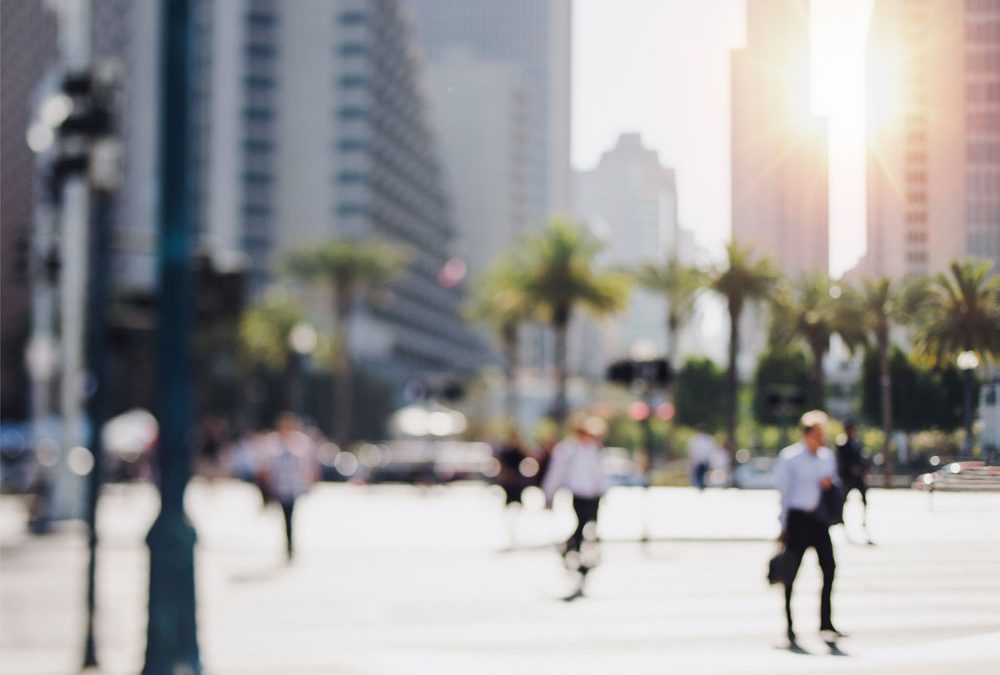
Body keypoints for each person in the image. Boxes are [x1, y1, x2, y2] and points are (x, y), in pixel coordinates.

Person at [775, 410, 844, 645]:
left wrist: (829, 485)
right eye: (817, 433)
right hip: (797, 520)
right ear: (806, 435)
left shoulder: (827, 457)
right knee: (791, 573)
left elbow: (833, 482)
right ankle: (790, 625)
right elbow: (783, 494)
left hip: (819, 520)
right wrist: (782, 525)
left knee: (829, 568)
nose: (821, 438)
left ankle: (826, 622)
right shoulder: (790, 458)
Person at [541, 414, 611, 557]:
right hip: (578, 493)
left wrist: (604, 490)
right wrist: (549, 494)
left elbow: (600, 473)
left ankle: (574, 547)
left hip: (593, 493)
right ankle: (574, 548)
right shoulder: (567, 449)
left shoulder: (592, 449)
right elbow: (556, 474)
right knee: (582, 521)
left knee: (590, 522)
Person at [263, 413, 318, 561]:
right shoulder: (274, 443)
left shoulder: (300, 442)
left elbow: (308, 465)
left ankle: (290, 546)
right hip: (280, 487)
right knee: (285, 517)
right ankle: (288, 545)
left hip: (294, 486)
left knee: (290, 516)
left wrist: (309, 483)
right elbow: (268, 466)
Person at [836, 418, 870, 540]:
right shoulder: (841, 443)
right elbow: (840, 461)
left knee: (864, 500)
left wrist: (863, 469)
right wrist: (850, 469)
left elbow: (863, 458)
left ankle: (863, 521)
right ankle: (841, 519)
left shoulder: (857, 443)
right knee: (843, 500)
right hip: (847, 477)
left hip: (858, 476)